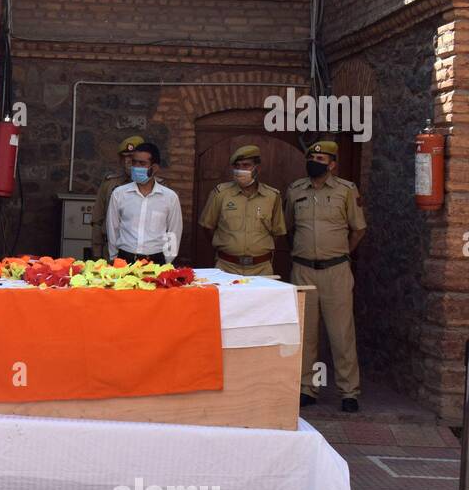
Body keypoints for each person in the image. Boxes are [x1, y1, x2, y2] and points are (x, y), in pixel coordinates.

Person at [289, 140, 366, 413]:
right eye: (313, 158)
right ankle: (306, 388)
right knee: (305, 334)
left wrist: (342, 253)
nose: (316, 162)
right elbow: (289, 228)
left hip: (336, 270)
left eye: (322, 159)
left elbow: (358, 229)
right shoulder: (296, 190)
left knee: (341, 333)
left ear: (333, 164)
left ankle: (349, 392)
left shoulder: (346, 191)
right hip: (303, 269)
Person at [198, 144, 286, 276]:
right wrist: (227, 245)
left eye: (246, 165)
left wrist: (259, 249)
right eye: (237, 166)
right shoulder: (220, 193)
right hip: (227, 267)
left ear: (257, 168)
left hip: (261, 268)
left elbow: (277, 232)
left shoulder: (272, 196)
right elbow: (207, 227)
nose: (240, 170)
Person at [106, 141, 182, 265]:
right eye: (134, 162)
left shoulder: (169, 197)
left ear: (154, 168)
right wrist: (115, 258)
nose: (136, 167)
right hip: (125, 259)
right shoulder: (119, 194)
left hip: (156, 261)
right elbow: (112, 228)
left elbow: (173, 232)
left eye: (142, 163)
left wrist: (167, 261)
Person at [89, 135, 144, 258]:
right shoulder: (110, 184)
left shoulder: (157, 187)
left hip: (142, 251)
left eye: (131, 156)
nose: (127, 161)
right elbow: (97, 220)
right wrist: (97, 253)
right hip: (110, 249)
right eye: (123, 157)